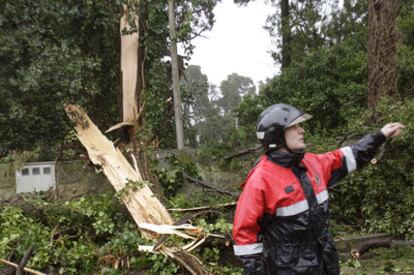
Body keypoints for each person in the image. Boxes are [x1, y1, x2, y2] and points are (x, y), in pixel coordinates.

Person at [232, 103, 405, 275]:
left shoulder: (313, 163)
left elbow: (352, 155)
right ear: (276, 135)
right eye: (294, 126)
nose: (302, 130)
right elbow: (245, 235)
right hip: (288, 267)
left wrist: (380, 135)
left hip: (325, 259)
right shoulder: (260, 180)